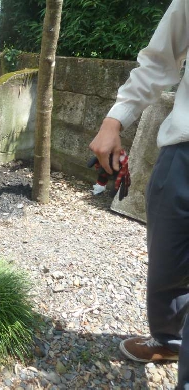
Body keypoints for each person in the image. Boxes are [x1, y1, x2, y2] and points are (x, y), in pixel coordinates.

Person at [89, 0, 189, 387]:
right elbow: (159, 59)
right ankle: (169, 340)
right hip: (181, 150)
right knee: (166, 263)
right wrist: (115, 119)